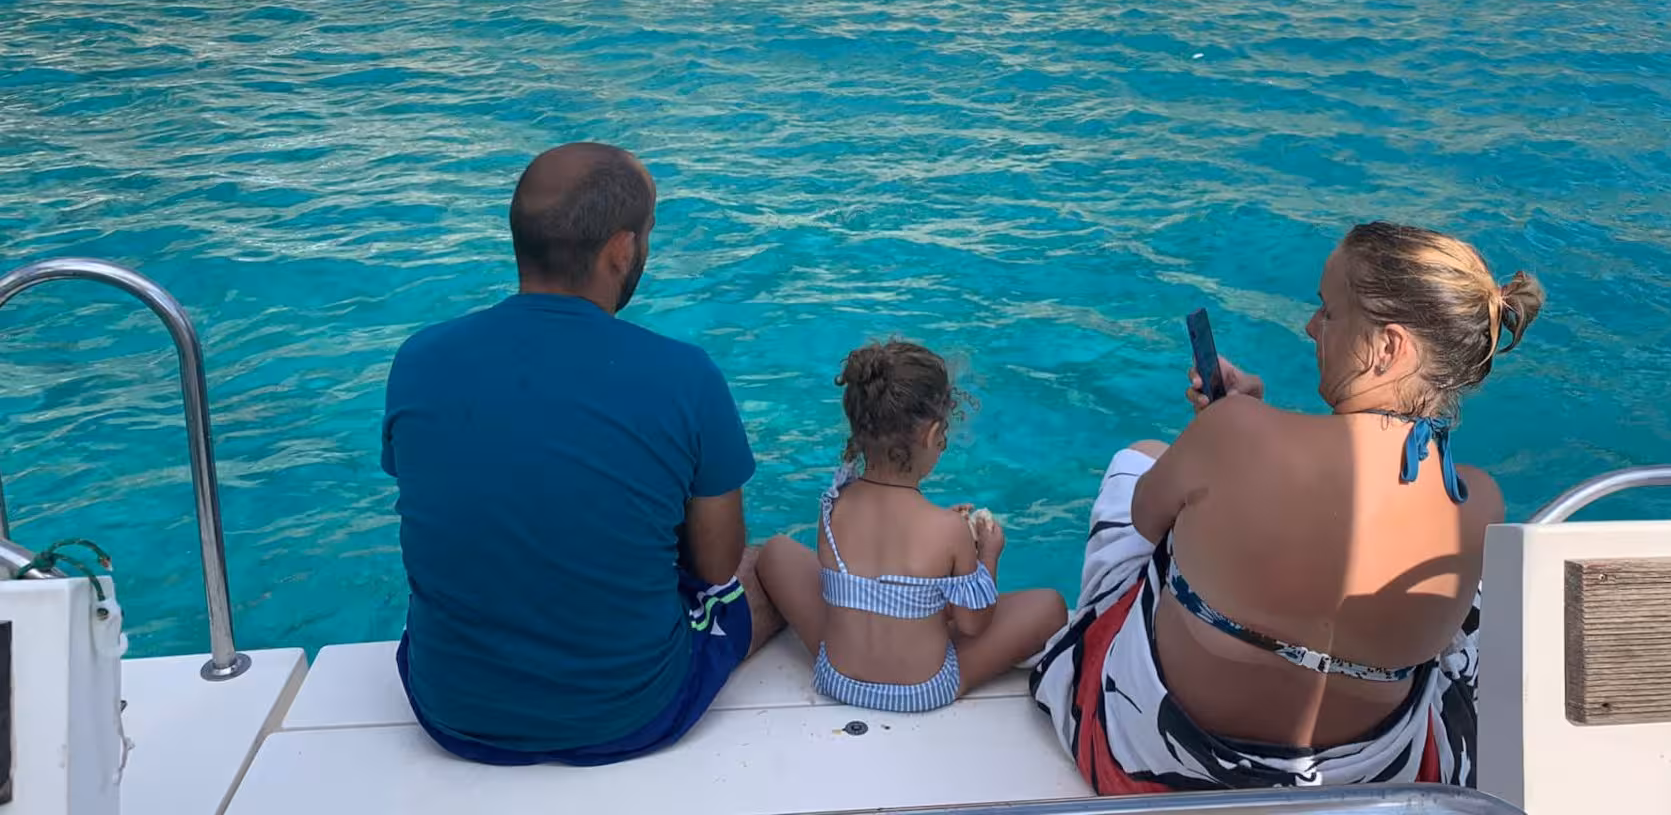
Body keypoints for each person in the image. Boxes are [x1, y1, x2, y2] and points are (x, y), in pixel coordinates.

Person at [1031, 223, 1544, 791]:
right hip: (1363, 789)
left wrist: (1231, 433)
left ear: (1388, 347)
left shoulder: (1233, 433)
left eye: (1328, 311)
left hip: (1154, 767)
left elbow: (1146, 522)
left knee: (1141, 462)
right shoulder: (1475, 503)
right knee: (1470, 606)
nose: (1310, 327)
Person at [381, 143, 783, 765]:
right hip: (630, 712)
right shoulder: (686, 376)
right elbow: (713, 566)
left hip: (450, 708)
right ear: (621, 249)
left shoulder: (417, 360)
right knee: (764, 570)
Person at [757, 340, 1067, 713]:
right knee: (1050, 605)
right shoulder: (948, 531)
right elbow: (973, 624)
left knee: (775, 552)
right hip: (922, 689)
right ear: (932, 434)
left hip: (836, 676)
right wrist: (986, 555)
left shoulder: (833, 505)